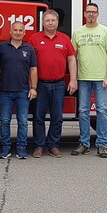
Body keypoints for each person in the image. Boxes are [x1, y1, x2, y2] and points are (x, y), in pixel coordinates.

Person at [28, 9, 77, 158]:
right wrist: (31, 85)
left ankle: (53, 146)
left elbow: (71, 60)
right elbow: (29, 63)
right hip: (40, 85)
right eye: (47, 20)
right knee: (38, 117)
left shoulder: (65, 39)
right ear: (43, 22)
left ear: (57, 22)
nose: (50, 23)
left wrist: (73, 80)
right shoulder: (34, 39)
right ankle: (38, 146)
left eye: (53, 20)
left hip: (58, 84)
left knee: (57, 117)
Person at [71, 3, 107, 159]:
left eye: (93, 12)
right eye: (88, 12)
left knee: (102, 111)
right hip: (83, 77)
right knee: (83, 111)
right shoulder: (77, 33)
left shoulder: (105, 31)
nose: (91, 14)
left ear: (98, 14)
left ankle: (102, 145)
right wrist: (73, 78)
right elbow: (73, 58)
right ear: (84, 14)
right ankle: (84, 144)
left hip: (100, 78)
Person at [0, 21, 38, 159]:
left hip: (23, 91)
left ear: (24, 33)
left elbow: (33, 69)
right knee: (5, 121)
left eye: (20, 30)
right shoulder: (2, 47)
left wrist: (33, 88)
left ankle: (21, 149)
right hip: (5, 91)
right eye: (15, 30)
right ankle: (5, 149)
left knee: (23, 121)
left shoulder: (29, 49)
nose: (18, 32)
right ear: (11, 31)